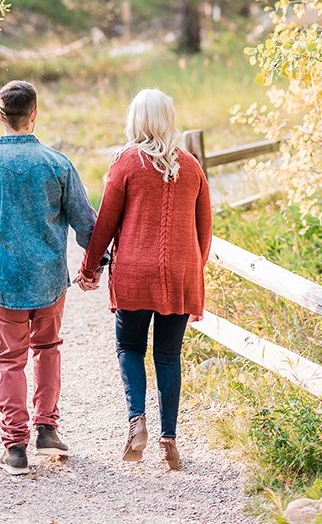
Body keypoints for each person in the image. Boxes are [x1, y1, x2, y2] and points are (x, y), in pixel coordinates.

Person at [0, 79, 102, 476]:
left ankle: (15, 446)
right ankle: (47, 428)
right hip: (49, 281)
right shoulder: (57, 163)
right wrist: (97, 263)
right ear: (34, 114)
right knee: (48, 349)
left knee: (9, 361)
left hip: (4, 283)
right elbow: (85, 221)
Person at [75, 88, 212, 471]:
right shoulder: (192, 167)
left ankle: (137, 423)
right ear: (168, 119)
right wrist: (191, 272)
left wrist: (89, 269)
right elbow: (205, 231)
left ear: (136, 120)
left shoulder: (125, 164)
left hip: (135, 273)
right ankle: (169, 442)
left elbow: (104, 225)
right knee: (168, 356)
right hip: (181, 274)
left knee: (130, 349)